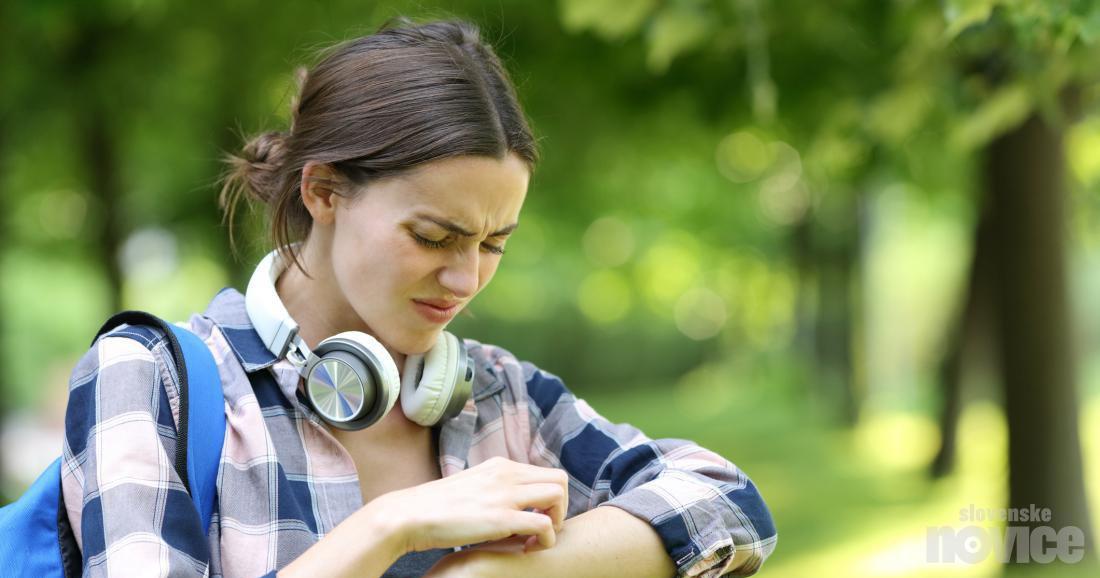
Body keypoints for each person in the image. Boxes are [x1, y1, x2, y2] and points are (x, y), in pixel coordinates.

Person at [60, 17, 777, 578]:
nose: (466, 280)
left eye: (493, 243)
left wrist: (483, 573)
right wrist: (388, 529)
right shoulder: (152, 378)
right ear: (323, 191)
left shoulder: (500, 395)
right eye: (435, 237)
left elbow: (728, 502)